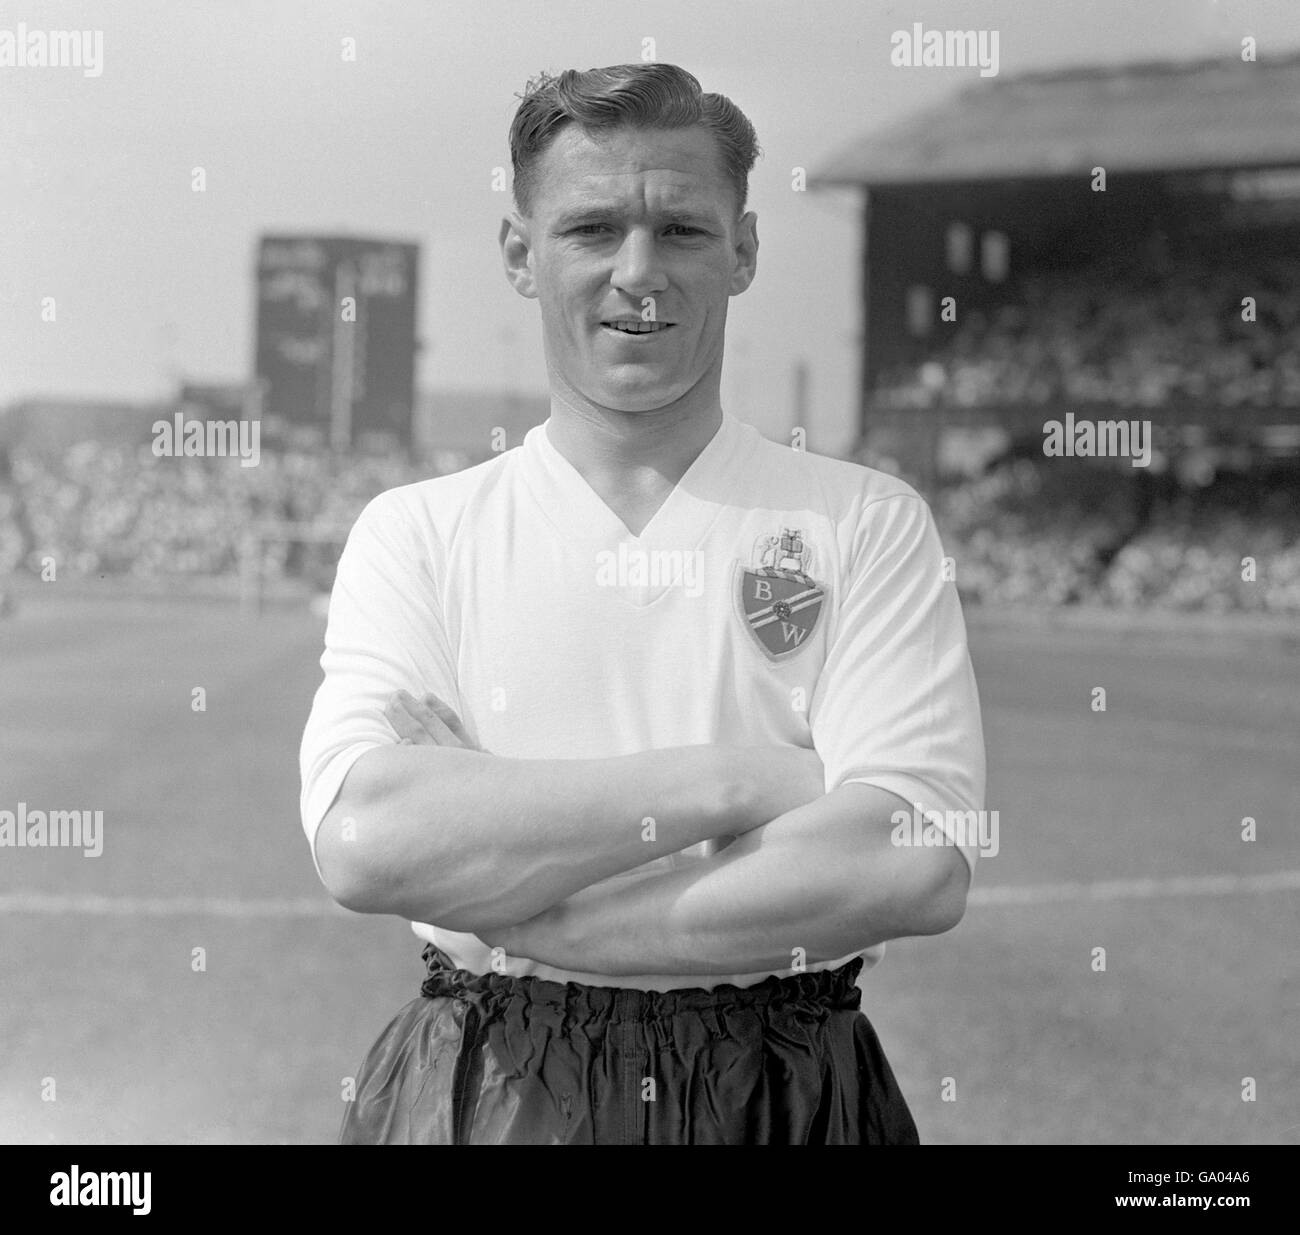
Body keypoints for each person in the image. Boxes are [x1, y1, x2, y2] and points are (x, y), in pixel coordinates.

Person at [299, 62, 985, 1145]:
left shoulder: (863, 522)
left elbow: (913, 854)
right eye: (591, 228)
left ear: (744, 250)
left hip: (785, 1081)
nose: (637, 272)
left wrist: (518, 906)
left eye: (681, 231)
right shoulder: (418, 533)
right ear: (522, 255)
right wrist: (746, 778)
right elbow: (373, 841)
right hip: (491, 1076)